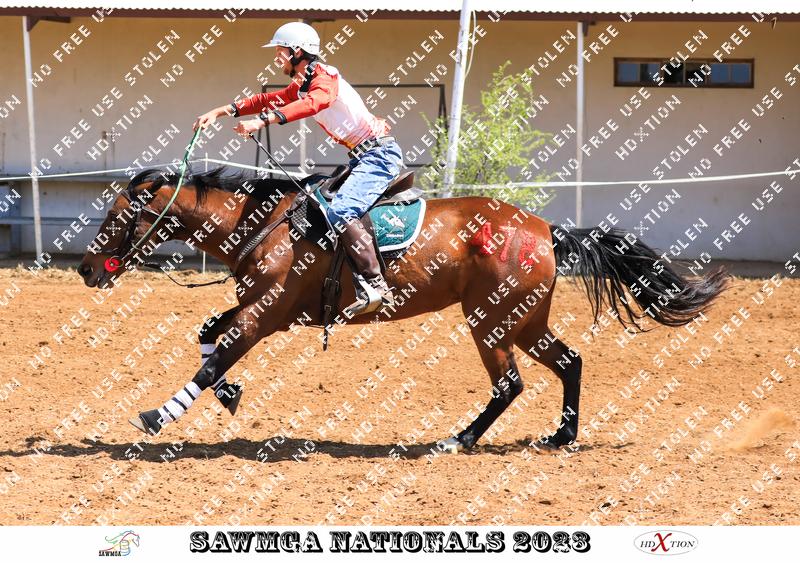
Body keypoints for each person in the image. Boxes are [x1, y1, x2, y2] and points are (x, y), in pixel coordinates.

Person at [193, 22, 401, 316]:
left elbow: (315, 103)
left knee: (342, 211)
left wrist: (262, 121)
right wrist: (220, 111)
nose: (276, 57)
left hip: (378, 156)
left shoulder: (325, 78)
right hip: (363, 157)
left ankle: (375, 285)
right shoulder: (304, 84)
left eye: (280, 51)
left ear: (297, 52)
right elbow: (267, 100)